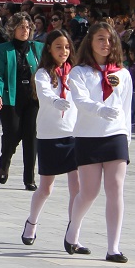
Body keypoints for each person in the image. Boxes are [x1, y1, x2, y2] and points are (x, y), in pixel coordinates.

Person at [65, 22, 133, 263]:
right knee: (89, 192)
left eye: (110, 39)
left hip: (116, 135)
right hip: (88, 136)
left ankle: (113, 247)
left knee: (115, 189)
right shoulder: (79, 72)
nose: (106, 44)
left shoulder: (122, 74)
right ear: (91, 42)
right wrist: (100, 109)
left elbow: (127, 108)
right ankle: (73, 229)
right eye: (101, 39)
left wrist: (127, 137)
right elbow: (80, 100)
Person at [21, 29, 81, 246]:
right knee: (46, 188)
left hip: (74, 134)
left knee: (77, 188)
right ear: (49, 49)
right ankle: (32, 222)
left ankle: (73, 233)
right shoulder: (43, 73)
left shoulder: (75, 73)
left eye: (66, 47)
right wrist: (55, 101)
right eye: (58, 47)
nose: (63, 51)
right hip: (50, 135)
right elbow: (44, 92)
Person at [0, 13, 43, 191]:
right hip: (11, 98)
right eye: (21, 27)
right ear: (13, 29)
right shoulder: (4, 49)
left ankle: (29, 178)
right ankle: (5, 160)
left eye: (27, 27)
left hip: (33, 98)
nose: (25, 30)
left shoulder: (37, 48)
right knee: (12, 133)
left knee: (31, 136)